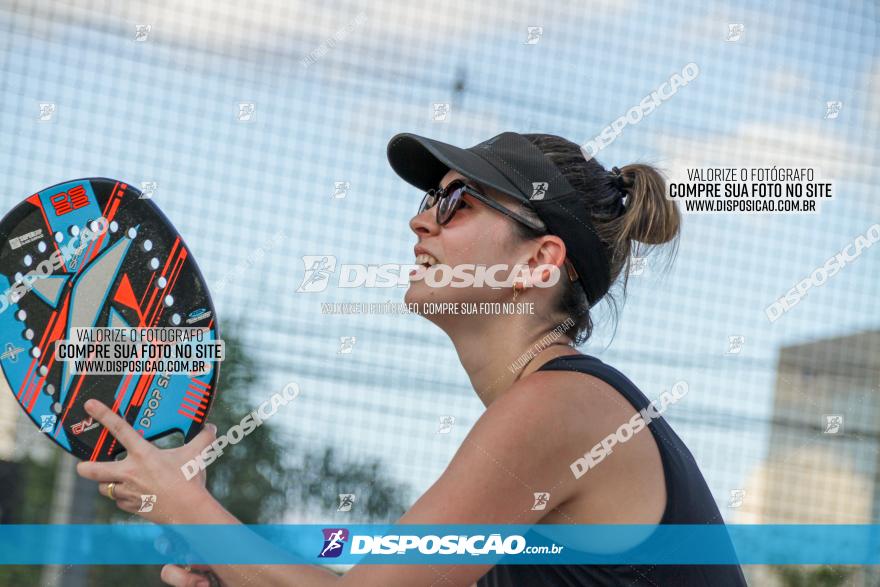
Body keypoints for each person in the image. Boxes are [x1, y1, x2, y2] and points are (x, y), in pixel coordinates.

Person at [76, 131, 747, 586]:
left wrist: (183, 504)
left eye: (457, 201)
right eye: (430, 199)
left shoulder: (565, 408)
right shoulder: (556, 415)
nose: (419, 221)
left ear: (539, 262)